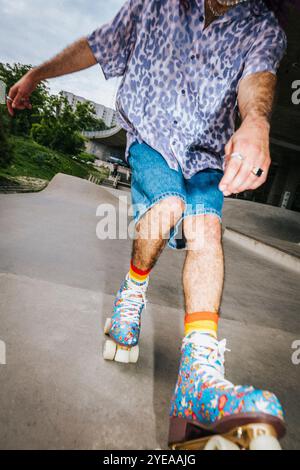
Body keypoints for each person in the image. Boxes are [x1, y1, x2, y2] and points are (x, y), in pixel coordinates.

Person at [8, 0, 289, 450]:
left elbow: (258, 77)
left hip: (206, 157)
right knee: (168, 202)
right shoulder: (154, 5)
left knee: (207, 231)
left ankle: (197, 381)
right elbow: (94, 46)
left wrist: (256, 121)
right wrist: (36, 74)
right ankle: (131, 294)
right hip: (151, 139)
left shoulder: (261, 25)